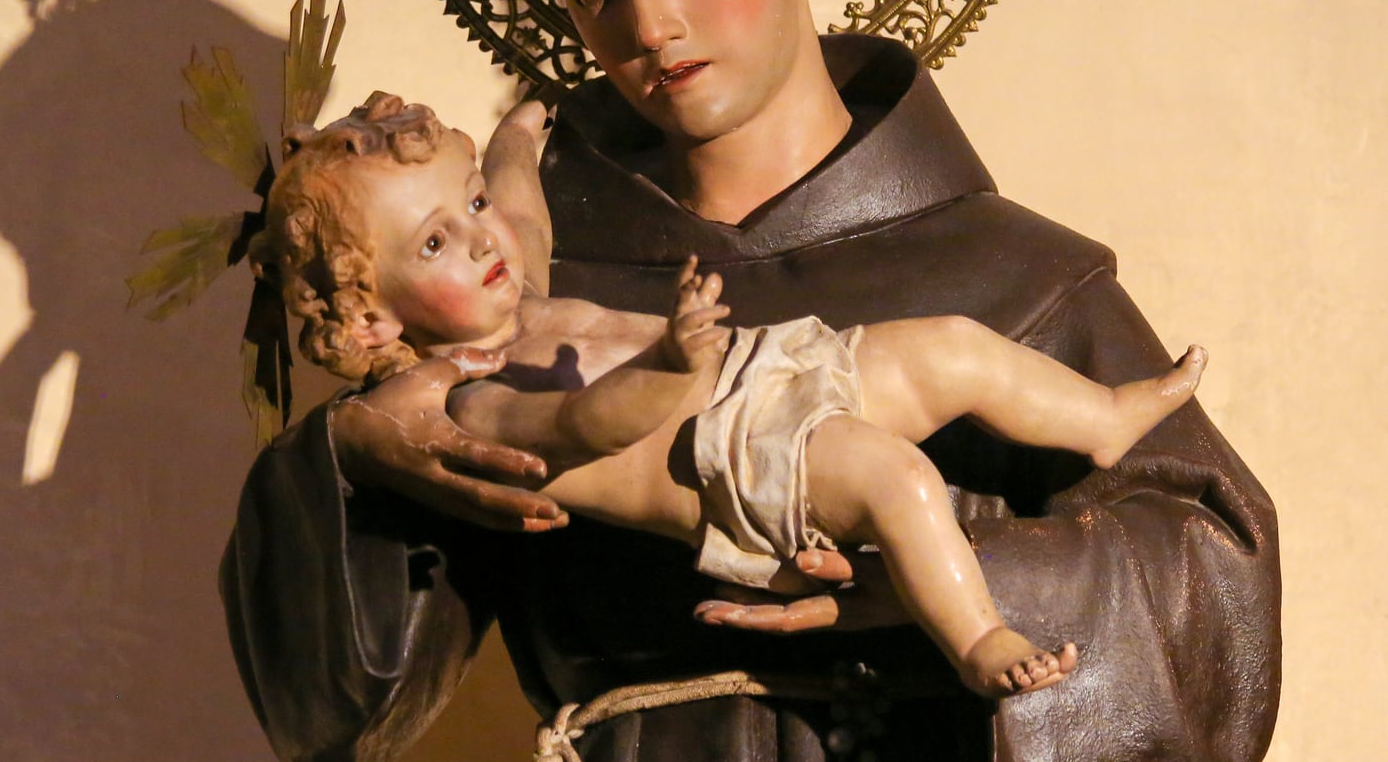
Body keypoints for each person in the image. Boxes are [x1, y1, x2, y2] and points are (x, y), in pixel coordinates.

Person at [220, 0, 1280, 762]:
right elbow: (335, 716)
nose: (648, 22)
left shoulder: (1013, 275)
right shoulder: (515, 303)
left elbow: (1213, 596)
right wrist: (352, 454)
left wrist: (946, 585)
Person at [259, 90, 1209, 698]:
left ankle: (1101, 420)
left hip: (773, 369)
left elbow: (519, 204)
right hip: (737, 466)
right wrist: (670, 361)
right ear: (374, 322)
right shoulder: (472, 401)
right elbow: (581, 425)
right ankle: (978, 637)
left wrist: (512, 137)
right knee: (896, 477)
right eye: (432, 244)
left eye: (465, 205)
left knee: (956, 350)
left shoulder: (522, 287)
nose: (480, 239)